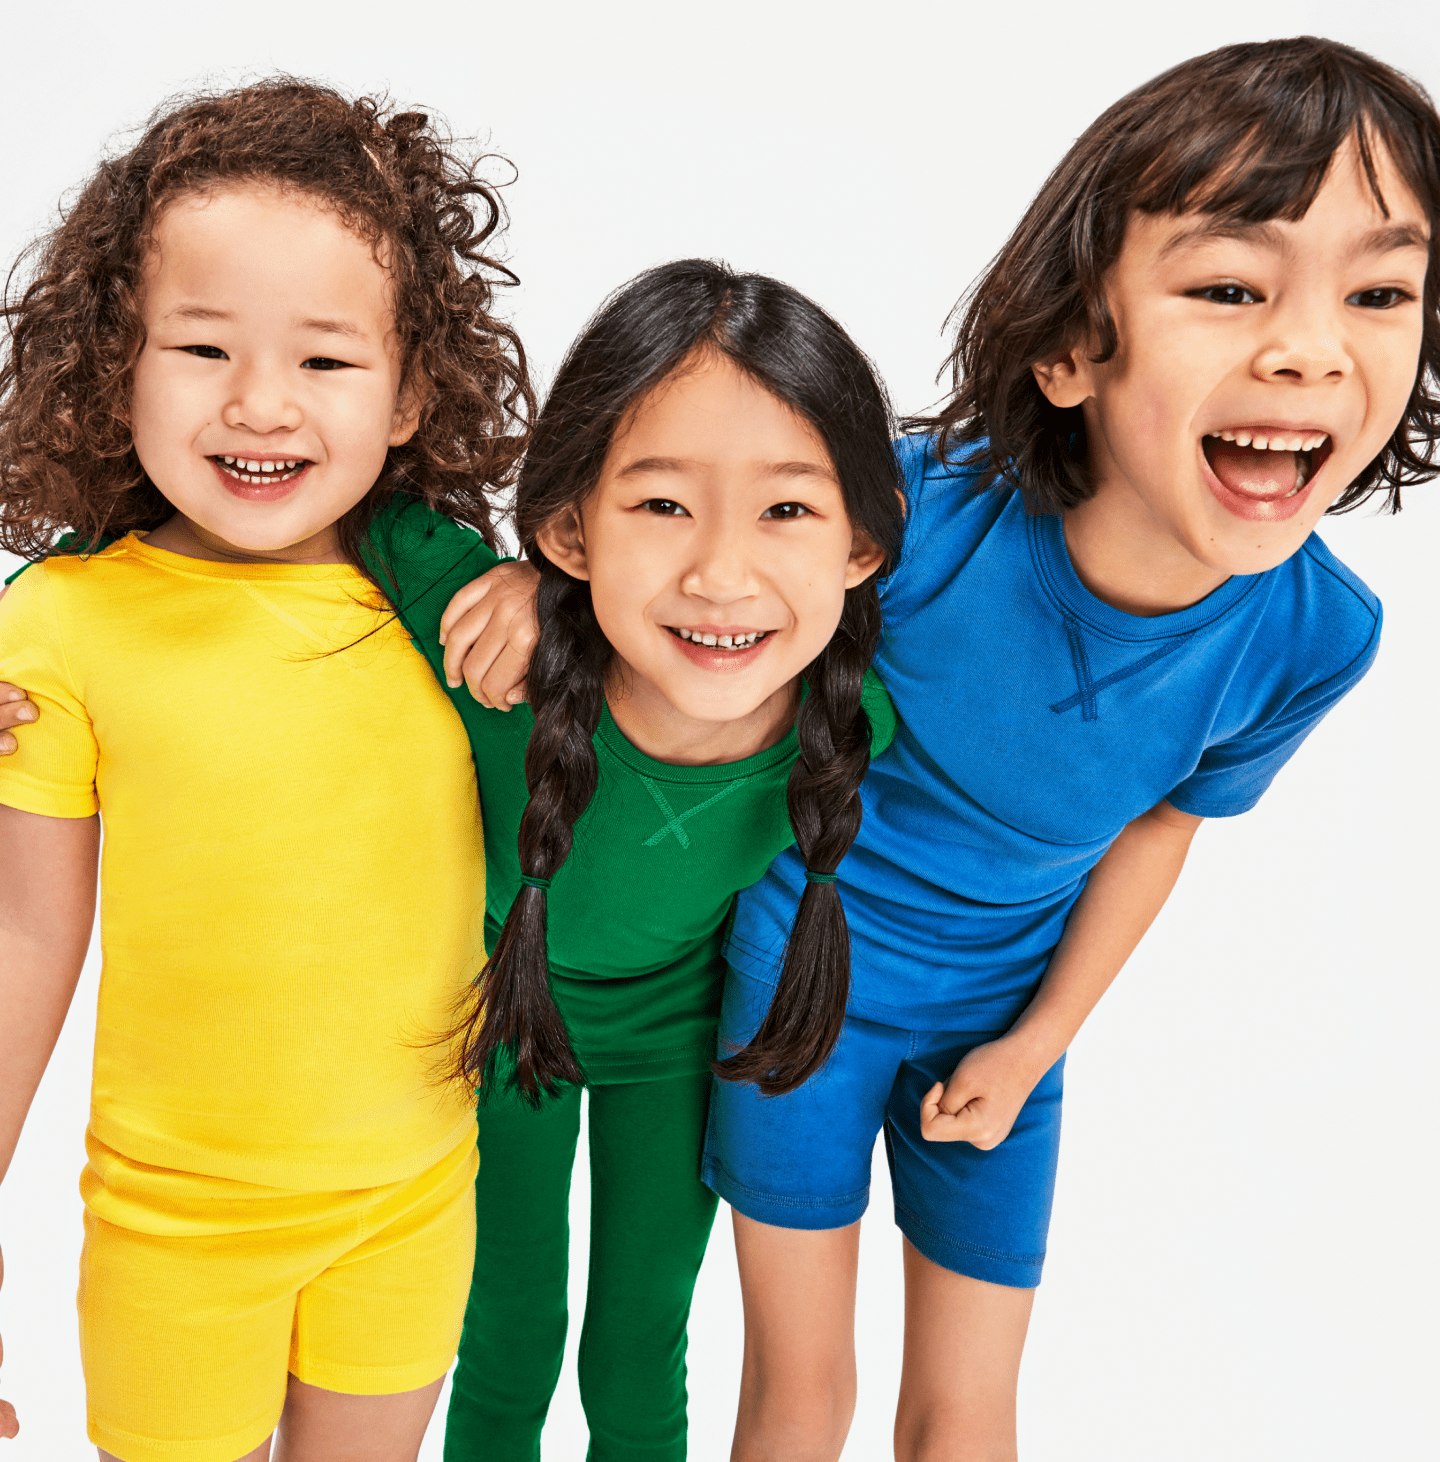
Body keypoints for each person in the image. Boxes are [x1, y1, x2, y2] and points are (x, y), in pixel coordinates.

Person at [432, 35, 1440, 1462]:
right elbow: (718, 538)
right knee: (806, 1395)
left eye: (1382, 291)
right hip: (798, 995)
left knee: (968, 1412)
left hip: (1010, 1027)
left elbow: (1161, 825)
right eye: (1230, 287)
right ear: (1073, 347)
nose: (1311, 346)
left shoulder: (1316, 634)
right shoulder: (909, 517)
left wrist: (1040, 1040)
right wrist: (554, 587)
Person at [0, 80, 531, 1462]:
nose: (260, 405)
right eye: (202, 346)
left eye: (326, 361)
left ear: (413, 388)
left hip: (414, 1197)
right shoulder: (62, 624)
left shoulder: (462, 610)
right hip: (175, 1223)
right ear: (116, 360)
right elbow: (23, 932)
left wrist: (555, 597)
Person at [388, 258, 903, 1462]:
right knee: (505, 1333)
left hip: (680, 1051)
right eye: (663, 506)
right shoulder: (493, 646)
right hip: (490, 1031)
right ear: (571, 527)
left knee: (635, 1348)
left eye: (787, 510)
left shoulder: (857, 723)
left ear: (862, 551)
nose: (720, 575)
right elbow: (297, 492)